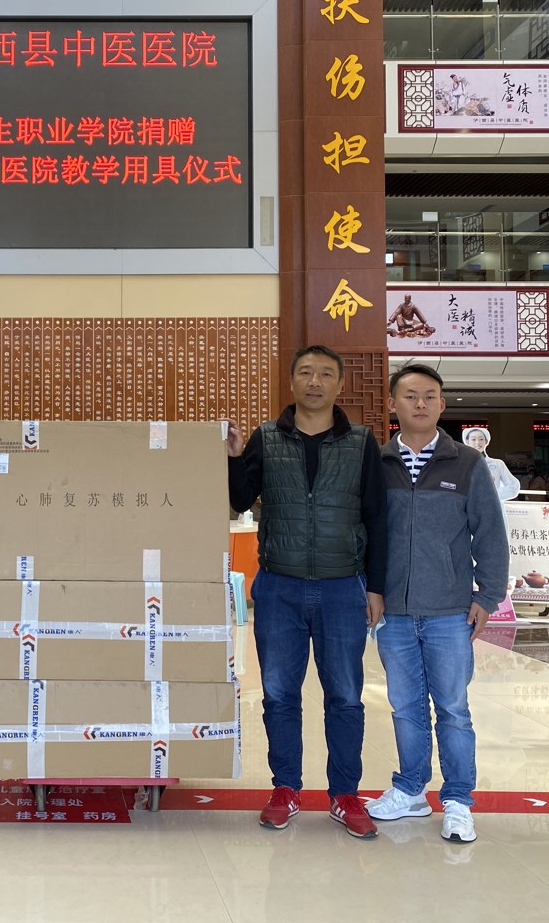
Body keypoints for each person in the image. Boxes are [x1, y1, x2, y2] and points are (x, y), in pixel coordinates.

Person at [226, 344, 387, 839]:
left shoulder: (361, 442)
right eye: (305, 373)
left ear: (340, 384)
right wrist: (233, 457)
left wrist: (376, 587)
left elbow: (376, 517)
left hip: (343, 586)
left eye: (325, 374)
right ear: (292, 380)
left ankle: (345, 794)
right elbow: (239, 499)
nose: (315, 382)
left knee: (345, 696)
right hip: (280, 586)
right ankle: (285, 789)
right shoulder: (266, 437)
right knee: (278, 694)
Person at [368, 363, 509, 843]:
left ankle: (458, 800)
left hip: (450, 611)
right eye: (410, 395)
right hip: (394, 613)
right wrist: (370, 588)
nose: (421, 403)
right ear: (393, 404)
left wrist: (487, 595)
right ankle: (410, 789)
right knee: (405, 707)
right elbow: (365, 532)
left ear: (442, 405)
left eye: (430, 395)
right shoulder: (378, 462)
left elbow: (490, 533)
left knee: (452, 708)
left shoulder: (466, 463)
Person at [460, 427, 520, 502]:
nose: (477, 443)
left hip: (492, 506)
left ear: (486, 441)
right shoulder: (460, 464)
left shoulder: (497, 464)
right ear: (467, 441)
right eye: (473, 439)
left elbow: (514, 486)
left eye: (481, 439)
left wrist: (491, 495)